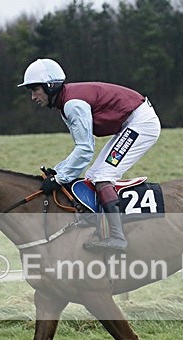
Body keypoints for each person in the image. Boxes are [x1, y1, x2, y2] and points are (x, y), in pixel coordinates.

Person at [18, 58, 161, 253]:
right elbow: (82, 148)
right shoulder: (65, 103)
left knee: (103, 176)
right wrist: (58, 171)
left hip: (141, 124)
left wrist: (59, 178)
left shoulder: (72, 104)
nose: (33, 97)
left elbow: (85, 150)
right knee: (93, 175)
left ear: (50, 86)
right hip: (133, 121)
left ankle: (117, 238)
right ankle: (104, 227)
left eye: (35, 90)